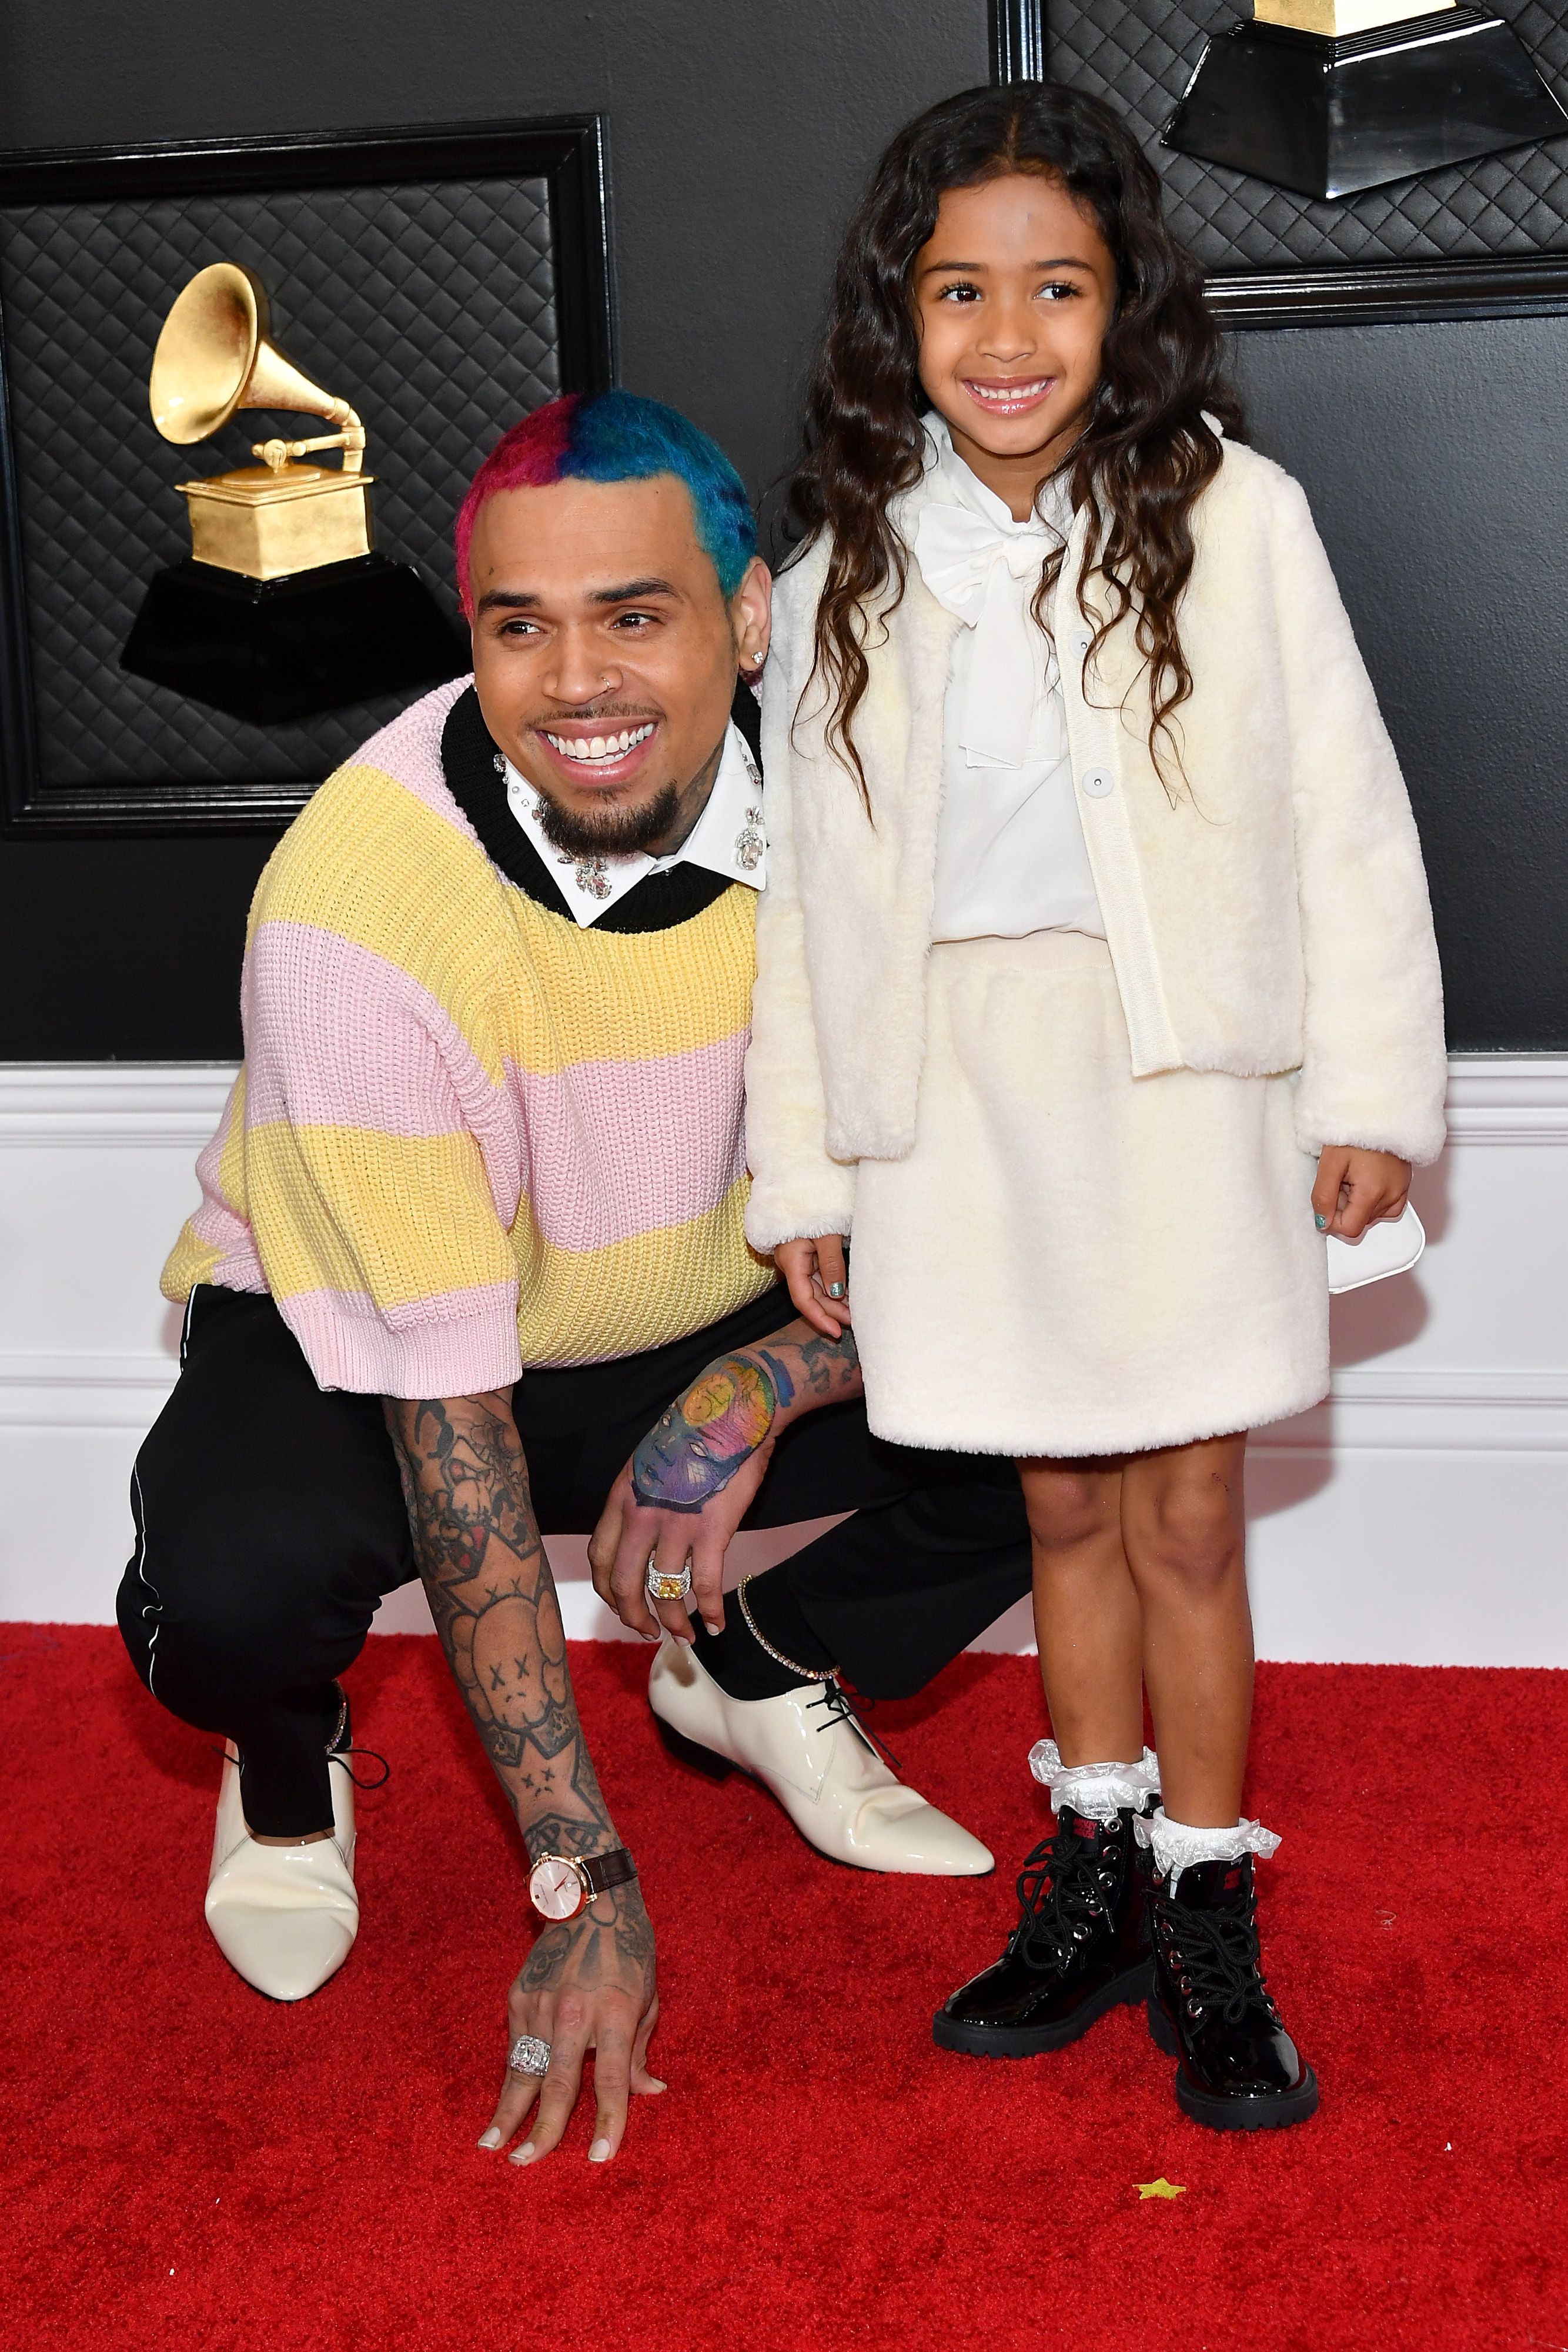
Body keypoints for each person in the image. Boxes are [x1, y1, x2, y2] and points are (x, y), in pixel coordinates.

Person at [117, 389, 1038, 2169]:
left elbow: (996, 1197)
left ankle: (761, 1666)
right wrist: (582, 1882)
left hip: (700, 1305)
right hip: (368, 1334)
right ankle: (286, 1762)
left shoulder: (872, 811)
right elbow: (450, 1412)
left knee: (1096, 1390)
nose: (578, 682)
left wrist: (756, 1386)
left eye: (636, 614)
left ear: (747, 619)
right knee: (230, 1596)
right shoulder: (357, 907)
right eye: (517, 627)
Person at [743, 83, 1446, 2132]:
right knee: (1054, 1505)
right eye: (959, 290)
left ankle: (1215, 1913)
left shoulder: (1236, 517)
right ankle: (1102, 1878)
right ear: (901, 314)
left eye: (1055, 285)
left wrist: (1373, 1093)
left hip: (1185, 1091)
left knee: (1191, 1512)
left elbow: (1348, 818)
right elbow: (804, 905)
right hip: (955, 1108)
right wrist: (808, 1163)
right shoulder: (841, 569)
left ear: (1121, 300)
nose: (1007, 335)